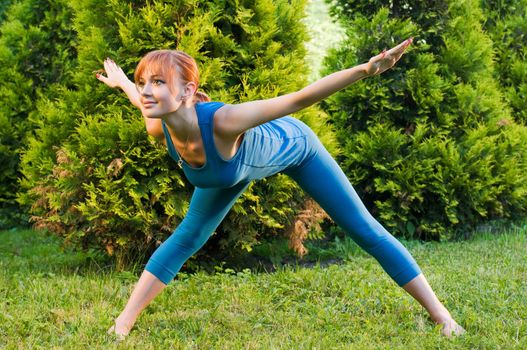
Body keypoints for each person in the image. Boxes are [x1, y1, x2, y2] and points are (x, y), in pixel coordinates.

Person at [96, 37, 465, 339]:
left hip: (296, 148)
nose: (146, 91)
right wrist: (124, 83)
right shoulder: (157, 124)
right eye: (144, 81)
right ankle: (122, 325)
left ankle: (443, 317)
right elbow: (140, 100)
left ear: (187, 91)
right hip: (230, 174)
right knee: (186, 238)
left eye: (158, 82)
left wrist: (366, 70)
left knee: (364, 229)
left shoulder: (225, 122)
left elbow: (298, 100)